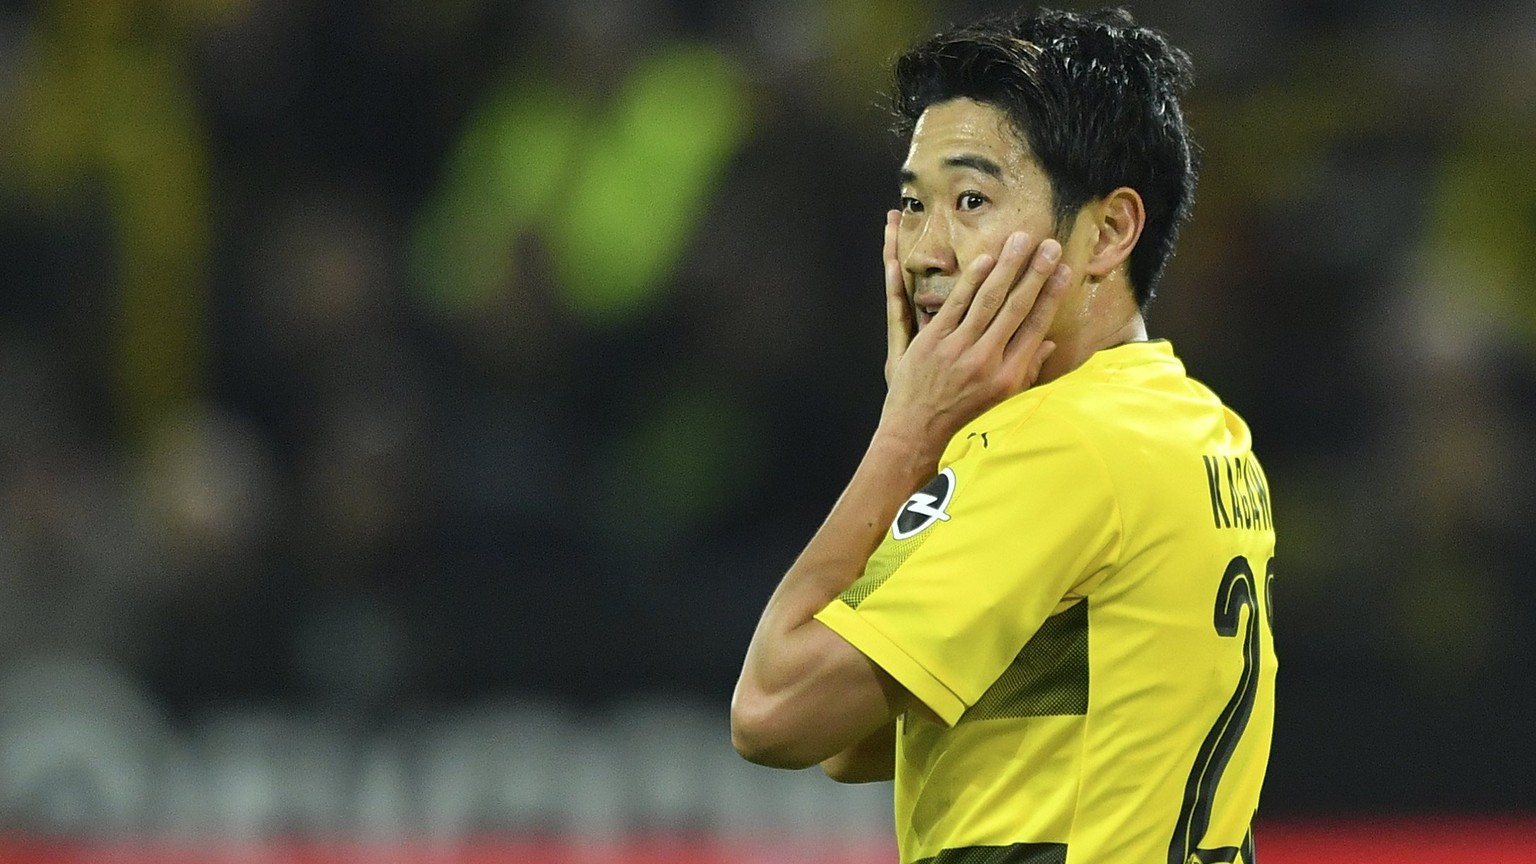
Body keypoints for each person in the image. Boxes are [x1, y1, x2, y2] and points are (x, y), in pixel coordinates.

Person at [730, 7, 1276, 863]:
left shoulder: (1060, 445)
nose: (925, 250)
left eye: (972, 200)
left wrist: (905, 433)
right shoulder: (1198, 427)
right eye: (913, 204)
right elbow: (859, 740)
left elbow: (775, 713)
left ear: (1109, 231)